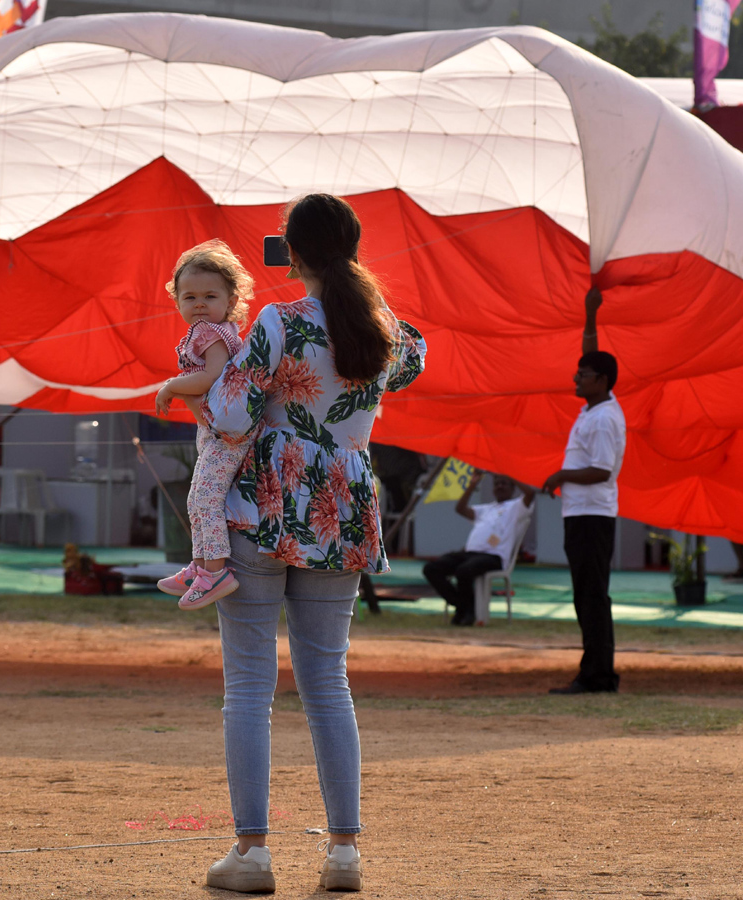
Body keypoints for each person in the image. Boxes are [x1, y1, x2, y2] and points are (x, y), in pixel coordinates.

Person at [198, 193, 426, 893]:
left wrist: (194, 386)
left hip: (265, 502)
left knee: (249, 687)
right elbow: (414, 356)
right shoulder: (386, 330)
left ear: (291, 255)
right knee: (328, 684)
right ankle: (346, 852)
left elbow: (231, 411)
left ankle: (253, 852)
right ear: (353, 249)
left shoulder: (278, 321)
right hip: (344, 504)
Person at [154, 240, 253, 610]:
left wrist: (172, 386)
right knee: (199, 497)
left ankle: (214, 572)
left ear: (230, 301)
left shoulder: (213, 334)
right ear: (177, 301)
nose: (198, 305)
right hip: (217, 427)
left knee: (203, 498)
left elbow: (211, 377)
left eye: (209, 296)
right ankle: (200, 566)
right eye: (189, 297)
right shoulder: (210, 331)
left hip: (226, 432)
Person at [542, 286, 627, 694]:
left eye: (584, 375)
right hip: (582, 514)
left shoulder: (605, 419)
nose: (576, 377)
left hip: (593, 513)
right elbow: (589, 351)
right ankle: (596, 672)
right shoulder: (593, 409)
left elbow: (602, 471)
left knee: (592, 596)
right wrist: (589, 315)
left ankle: (598, 675)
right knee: (586, 594)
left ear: (602, 381)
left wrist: (560, 477)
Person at [422, 472, 535, 626]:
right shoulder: (487, 508)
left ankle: (466, 611)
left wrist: (510, 473)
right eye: (496, 484)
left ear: (512, 488)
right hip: (470, 554)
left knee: (464, 571)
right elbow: (460, 509)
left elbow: (530, 493)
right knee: (431, 569)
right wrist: (472, 484)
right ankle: (463, 606)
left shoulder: (516, 507)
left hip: (494, 557)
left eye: (504, 483)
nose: (499, 486)